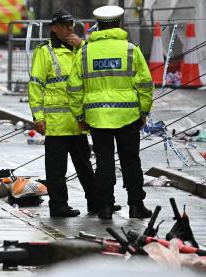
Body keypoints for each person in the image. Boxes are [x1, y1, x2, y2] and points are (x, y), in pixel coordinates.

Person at [68, 5, 154, 220]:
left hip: (97, 117)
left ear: (98, 25)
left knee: (104, 162)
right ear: (119, 24)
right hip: (128, 116)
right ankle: (136, 205)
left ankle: (105, 207)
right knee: (131, 161)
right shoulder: (131, 50)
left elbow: (74, 88)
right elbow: (145, 84)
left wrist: (80, 116)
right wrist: (143, 111)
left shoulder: (85, 51)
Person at [28, 9, 97, 217]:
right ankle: (58, 206)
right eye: (65, 25)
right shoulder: (45, 51)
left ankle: (97, 202)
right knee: (56, 170)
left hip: (79, 122)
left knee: (85, 166)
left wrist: (82, 46)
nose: (69, 29)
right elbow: (36, 85)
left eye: (71, 25)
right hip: (56, 123)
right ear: (54, 28)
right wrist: (38, 117)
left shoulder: (82, 49)